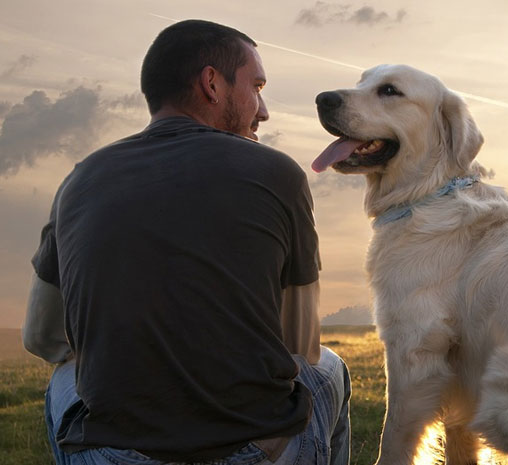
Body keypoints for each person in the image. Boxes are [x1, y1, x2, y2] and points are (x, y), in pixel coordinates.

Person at [23, 19, 350, 465]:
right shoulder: (277, 172)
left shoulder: (80, 179)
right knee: (329, 367)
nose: (264, 110)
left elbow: (41, 337)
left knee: (66, 374)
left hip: (112, 454)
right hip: (252, 451)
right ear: (212, 83)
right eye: (256, 86)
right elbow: (300, 345)